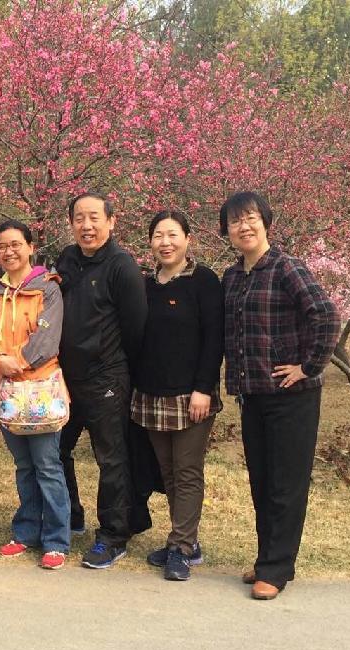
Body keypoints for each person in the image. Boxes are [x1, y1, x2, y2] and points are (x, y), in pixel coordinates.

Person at [220, 191, 340, 600]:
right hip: (253, 394)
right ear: (227, 231)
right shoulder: (232, 276)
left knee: (286, 484)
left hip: (292, 396)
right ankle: (267, 557)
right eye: (236, 221)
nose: (244, 226)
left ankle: (277, 568)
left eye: (251, 218)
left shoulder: (286, 267)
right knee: (263, 481)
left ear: (266, 222)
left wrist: (309, 365)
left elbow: (325, 314)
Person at [130, 210, 224, 581]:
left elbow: (214, 338)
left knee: (186, 471)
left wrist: (204, 388)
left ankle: (181, 548)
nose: (165, 242)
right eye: (158, 235)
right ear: (150, 242)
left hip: (192, 394)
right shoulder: (145, 284)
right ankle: (186, 540)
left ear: (188, 239)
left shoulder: (204, 281)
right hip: (152, 394)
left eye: (172, 235)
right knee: (168, 471)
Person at [55, 191, 147, 569]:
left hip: (106, 377)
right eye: (79, 218)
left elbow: (136, 328)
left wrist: (122, 373)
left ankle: (113, 535)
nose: (87, 225)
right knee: (55, 450)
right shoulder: (67, 258)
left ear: (111, 221)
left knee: (110, 458)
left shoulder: (122, 267)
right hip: (65, 378)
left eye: (94, 217)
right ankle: (70, 513)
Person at [0, 219, 71, 570]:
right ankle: (26, 530)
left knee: (47, 465)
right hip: (7, 395)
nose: (9, 251)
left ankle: (57, 539)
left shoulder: (47, 289)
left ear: (31, 247)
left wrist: (7, 365)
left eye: (16, 244)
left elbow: (45, 342)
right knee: (24, 466)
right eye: (2, 246)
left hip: (40, 390)